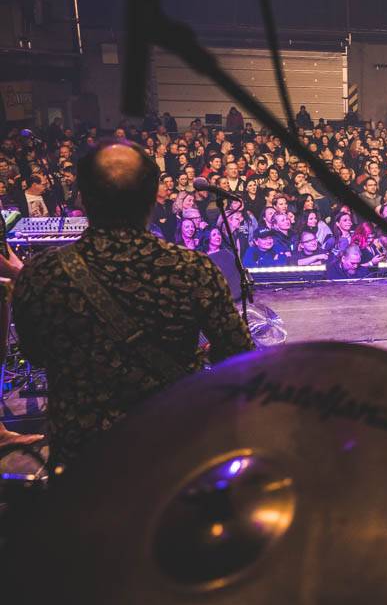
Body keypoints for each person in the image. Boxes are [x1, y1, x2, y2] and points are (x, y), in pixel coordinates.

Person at [11, 140, 253, 469]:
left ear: (82, 196)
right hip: (170, 452)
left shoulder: (44, 274)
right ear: (155, 194)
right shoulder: (192, 269)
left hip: (84, 460)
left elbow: (36, 352)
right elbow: (241, 356)